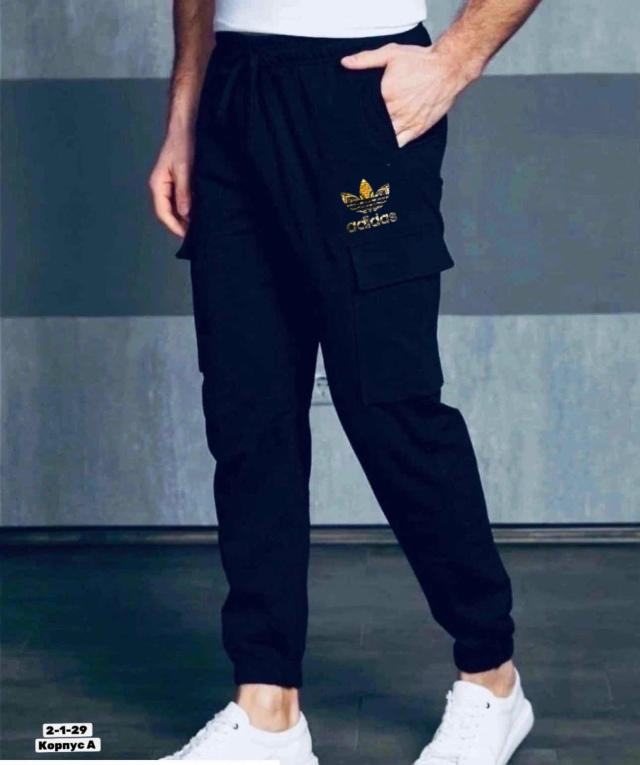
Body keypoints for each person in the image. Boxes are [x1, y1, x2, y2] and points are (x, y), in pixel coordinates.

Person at [149, 1, 542, 762]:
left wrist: (455, 60)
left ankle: (492, 679)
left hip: (358, 86)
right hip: (234, 90)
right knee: (247, 410)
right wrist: (185, 111)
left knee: (388, 405)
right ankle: (267, 711)